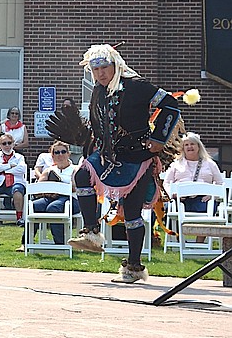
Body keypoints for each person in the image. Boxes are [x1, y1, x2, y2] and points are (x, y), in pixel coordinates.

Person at [65, 45, 180, 284]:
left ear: (116, 65)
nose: (100, 74)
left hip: (137, 157)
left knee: (131, 213)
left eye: (104, 68)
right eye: (95, 69)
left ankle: (135, 267)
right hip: (108, 155)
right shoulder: (98, 91)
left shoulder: (136, 85)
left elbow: (170, 104)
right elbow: (99, 125)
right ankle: (91, 232)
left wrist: (158, 139)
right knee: (81, 175)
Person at [28, 140, 79, 244]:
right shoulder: (49, 170)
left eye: (63, 152)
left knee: (53, 208)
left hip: (70, 199)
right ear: (52, 156)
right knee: (34, 206)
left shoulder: (75, 169)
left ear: (68, 154)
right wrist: (48, 192)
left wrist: (58, 188)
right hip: (50, 197)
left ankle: (60, 244)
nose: (60, 155)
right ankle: (26, 243)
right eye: (57, 152)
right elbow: (38, 188)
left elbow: (75, 187)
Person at [163, 132, 222, 213]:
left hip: (202, 200)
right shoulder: (175, 164)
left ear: (199, 146)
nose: (189, 147)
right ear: (183, 148)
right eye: (186, 145)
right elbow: (166, 183)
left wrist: (212, 196)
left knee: (209, 208)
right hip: (180, 200)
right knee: (169, 208)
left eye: (192, 144)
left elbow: (220, 183)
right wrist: (174, 194)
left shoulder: (210, 164)